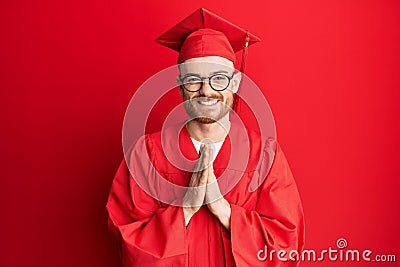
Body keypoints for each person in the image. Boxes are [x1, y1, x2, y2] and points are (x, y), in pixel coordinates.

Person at [106, 8, 304, 267]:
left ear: (235, 83)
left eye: (218, 79)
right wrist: (185, 207)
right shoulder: (147, 154)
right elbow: (128, 242)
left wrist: (223, 209)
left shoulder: (264, 154)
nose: (206, 90)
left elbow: (287, 244)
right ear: (179, 86)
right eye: (193, 81)